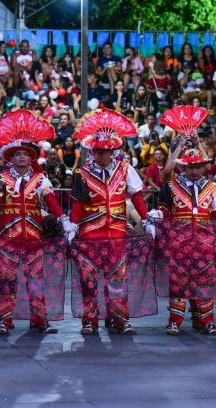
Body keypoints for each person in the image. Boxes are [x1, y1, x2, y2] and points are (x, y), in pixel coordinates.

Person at [0, 111, 67, 335]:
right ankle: (4, 320)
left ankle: (39, 320)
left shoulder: (40, 179)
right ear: (10, 158)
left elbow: (51, 201)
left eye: (26, 154)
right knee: (6, 280)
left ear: (31, 158)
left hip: (33, 237)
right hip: (8, 237)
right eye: (17, 154)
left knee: (36, 280)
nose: (22, 158)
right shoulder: (1, 179)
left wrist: (63, 219)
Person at [66, 109, 155, 335]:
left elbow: (136, 196)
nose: (99, 155)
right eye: (96, 151)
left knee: (117, 278)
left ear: (112, 151)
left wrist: (146, 220)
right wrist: (73, 225)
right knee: (88, 280)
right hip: (89, 235)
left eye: (103, 152)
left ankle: (120, 318)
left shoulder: (126, 170)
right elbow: (77, 204)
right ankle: (89, 320)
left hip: (116, 233)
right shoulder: (83, 174)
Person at [153, 147, 216, 336]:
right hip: (179, 242)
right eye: (190, 167)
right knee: (178, 282)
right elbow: (166, 211)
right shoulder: (172, 186)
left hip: (205, 242)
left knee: (205, 282)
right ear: (183, 168)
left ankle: (207, 321)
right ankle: (175, 322)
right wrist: (157, 214)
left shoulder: (212, 187)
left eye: (198, 167)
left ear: (203, 168)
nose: (194, 171)